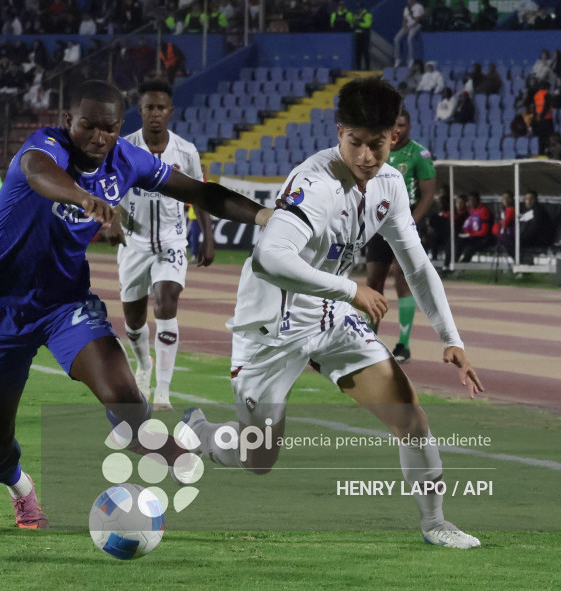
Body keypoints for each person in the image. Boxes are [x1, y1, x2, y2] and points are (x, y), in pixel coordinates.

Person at [177, 77, 484, 549]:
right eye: (355, 143)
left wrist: (451, 337)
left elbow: (417, 265)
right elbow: (269, 259)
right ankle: (200, 432)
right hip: (271, 327)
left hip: (329, 313)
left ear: (393, 139)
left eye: (376, 145)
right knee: (258, 458)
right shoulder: (315, 184)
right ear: (339, 132)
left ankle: (435, 522)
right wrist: (350, 288)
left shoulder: (390, 184)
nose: (365, 156)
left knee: (411, 417)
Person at [0, 80, 271, 529]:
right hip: (2, 310)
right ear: (68, 121)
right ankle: (21, 489)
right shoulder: (43, 148)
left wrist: (265, 215)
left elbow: (200, 192)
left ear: (118, 128)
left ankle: (197, 440)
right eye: (87, 126)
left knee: (128, 402)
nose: (98, 137)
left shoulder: (127, 160)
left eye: (109, 128)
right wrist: (82, 196)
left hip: (65, 305)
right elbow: (37, 172)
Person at [106, 79, 215, 413]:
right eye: (149, 108)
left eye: (161, 108)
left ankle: (163, 391)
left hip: (172, 240)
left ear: (171, 111)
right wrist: (111, 219)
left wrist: (207, 236)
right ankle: (143, 364)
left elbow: (200, 194)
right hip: (133, 243)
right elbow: (106, 188)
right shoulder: (122, 148)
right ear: (140, 111)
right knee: (133, 320)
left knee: (166, 303)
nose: (155, 114)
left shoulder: (186, 152)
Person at [364, 109, 435, 363]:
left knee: (401, 276)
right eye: (394, 126)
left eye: (402, 125)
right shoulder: (377, 149)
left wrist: (410, 223)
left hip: (406, 224)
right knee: (373, 281)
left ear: (410, 126)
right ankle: (369, 341)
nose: (398, 130)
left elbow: (428, 194)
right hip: (377, 224)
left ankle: (403, 344)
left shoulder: (419, 154)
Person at [457, 192, 493, 262]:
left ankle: (462, 265)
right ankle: (452, 263)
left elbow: (484, 231)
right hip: (474, 237)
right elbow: (469, 226)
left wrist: (470, 235)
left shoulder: (483, 210)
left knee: (470, 246)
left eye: (473, 200)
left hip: (484, 239)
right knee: (458, 241)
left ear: (478, 201)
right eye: (469, 200)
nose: (471, 203)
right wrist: (466, 233)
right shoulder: (472, 211)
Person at [393, 0, 425, 67]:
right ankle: (398, 58)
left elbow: (417, 21)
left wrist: (409, 29)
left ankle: (411, 59)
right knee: (396, 39)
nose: (408, 1)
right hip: (407, 26)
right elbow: (404, 19)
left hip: (416, 26)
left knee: (410, 39)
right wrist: (404, 27)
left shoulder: (419, 7)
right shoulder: (406, 8)